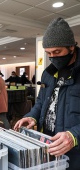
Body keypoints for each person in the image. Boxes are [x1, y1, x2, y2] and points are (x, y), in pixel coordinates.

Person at [14, 17, 80, 170]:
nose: (53, 57)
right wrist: (32, 116)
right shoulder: (47, 74)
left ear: (71, 47)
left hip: (75, 152)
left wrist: (74, 135)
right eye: (48, 53)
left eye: (57, 51)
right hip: (48, 145)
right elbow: (41, 102)